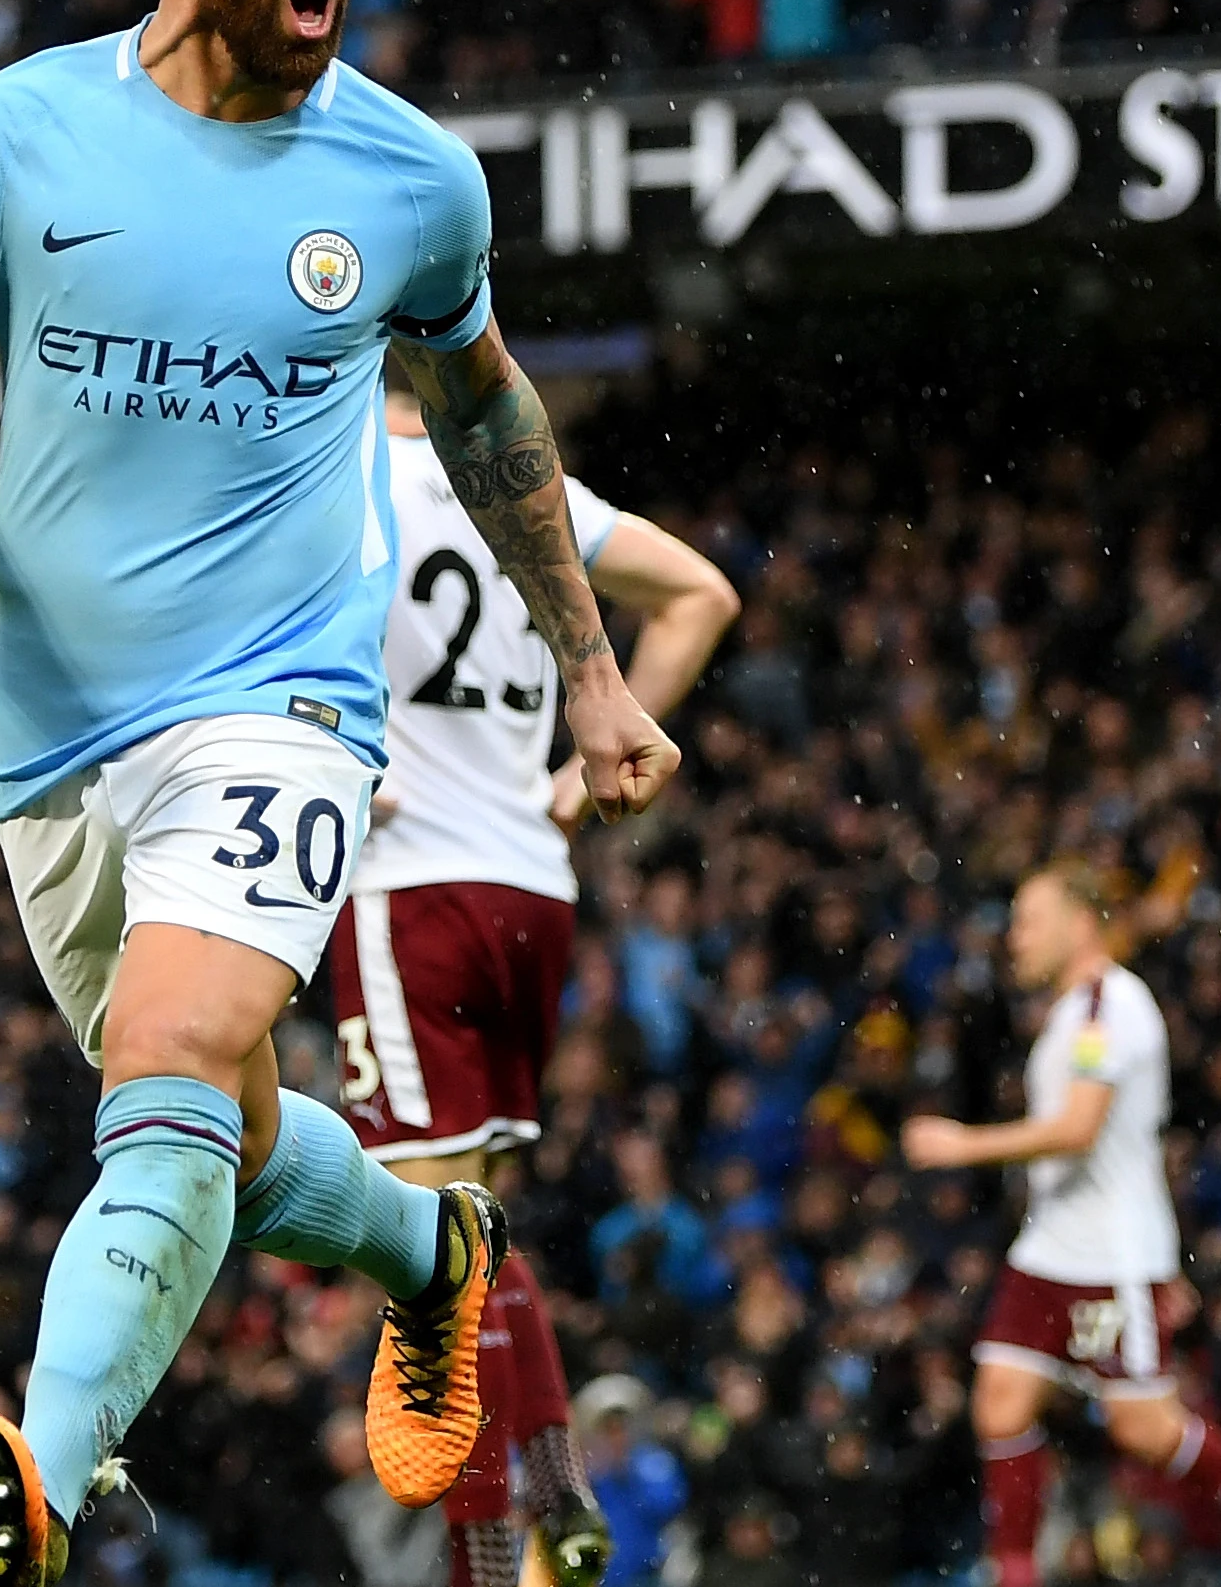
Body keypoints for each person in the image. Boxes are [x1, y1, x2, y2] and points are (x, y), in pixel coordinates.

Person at [0, 0, 680, 1579]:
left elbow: (494, 410)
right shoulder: (16, 132)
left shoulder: (410, 177)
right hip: (49, 735)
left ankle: (41, 1482)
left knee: (185, 1058)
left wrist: (588, 672)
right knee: (210, 1129)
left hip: (282, 708)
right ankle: (434, 1251)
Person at [329, 368, 739, 1587]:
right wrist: (571, 778)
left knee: (428, 1272)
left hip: (412, 887)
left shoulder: (334, 467)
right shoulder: (521, 479)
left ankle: (486, 1564)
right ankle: (555, 1492)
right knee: (478, 1234)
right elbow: (702, 596)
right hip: (529, 891)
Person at [901, 864, 1221, 1587]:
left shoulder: (1111, 1005)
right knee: (999, 1400)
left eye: (1029, 919)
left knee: (1145, 1428)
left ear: (1081, 923)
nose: (1015, 937)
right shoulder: (1075, 1010)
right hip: (1049, 1246)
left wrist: (963, 1144)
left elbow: (1079, 1128)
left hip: (1110, 1256)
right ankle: (1015, 1576)